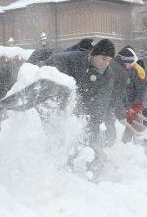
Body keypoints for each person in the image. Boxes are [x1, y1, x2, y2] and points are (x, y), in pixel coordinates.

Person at [45, 39, 118, 168]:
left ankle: (91, 175)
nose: (105, 63)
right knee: (61, 142)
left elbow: (100, 105)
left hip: (84, 113)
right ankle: (60, 166)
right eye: (103, 58)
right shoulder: (75, 59)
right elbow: (52, 62)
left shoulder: (108, 76)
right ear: (94, 54)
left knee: (88, 145)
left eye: (109, 60)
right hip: (62, 109)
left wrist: (93, 133)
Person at [116, 46, 147, 141]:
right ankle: (129, 144)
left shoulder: (141, 73)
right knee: (133, 124)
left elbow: (143, 93)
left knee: (137, 124)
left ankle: (136, 144)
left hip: (135, 103)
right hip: (125, 103)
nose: (129, 66)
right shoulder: (125, 69)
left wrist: (136, 107)